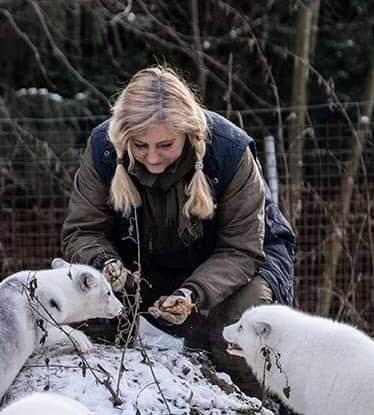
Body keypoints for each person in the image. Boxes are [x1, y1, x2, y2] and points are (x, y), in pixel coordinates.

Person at [61, 65, 296, 396]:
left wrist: (193, 294)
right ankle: (112, 406)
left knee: (236, 324)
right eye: (140, 146)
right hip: (142, 262)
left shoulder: (229, 151)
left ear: (188, 134)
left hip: (243, 263)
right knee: (89, 304)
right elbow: (82, 231)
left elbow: (241, 249)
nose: (152, 158)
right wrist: (104, 264)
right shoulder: (103, 147)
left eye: (165, 145)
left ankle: (258, 414)